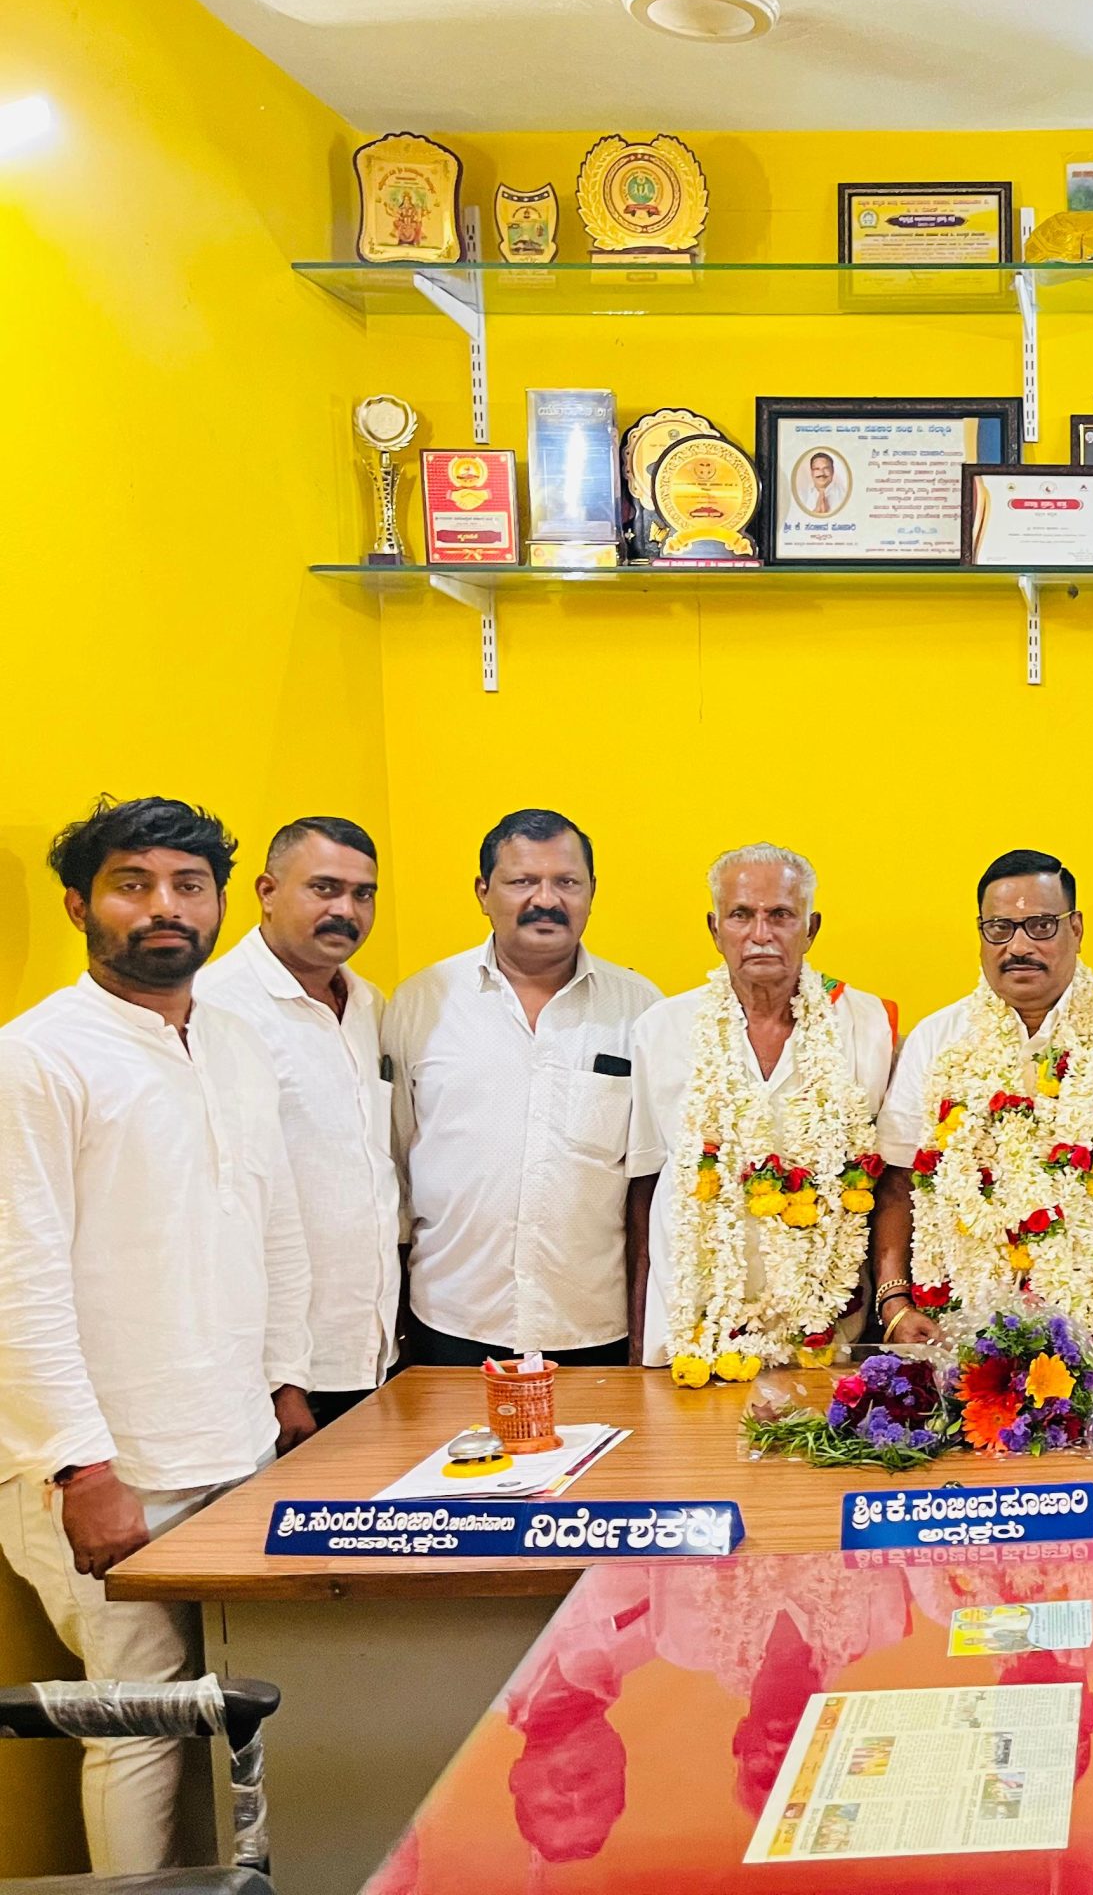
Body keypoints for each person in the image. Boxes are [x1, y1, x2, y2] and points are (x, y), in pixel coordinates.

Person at [0, 797, 313, 1873]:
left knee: (239, 1710)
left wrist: (285, 1388)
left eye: (188, 885)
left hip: (236, 1445)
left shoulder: (234, 1042)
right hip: (107, 1466)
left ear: (220, 903)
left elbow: (272, 1222)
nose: (164, 908)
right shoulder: (36, 1058)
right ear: (79, 906)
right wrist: (80, 1466)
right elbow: (18, 1279)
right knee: (136, 1722)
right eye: (133, 885)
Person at [870, 850, 1093, 1360]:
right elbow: (899, 1178)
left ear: (1076, 928)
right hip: (958, 1337)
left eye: (1040, 925)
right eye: (999, 928)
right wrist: (894, 1301)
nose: (1019, 946)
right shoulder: (937, 1040)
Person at [384, 808, 660, 1367]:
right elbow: (394, 1165)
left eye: (566, 882)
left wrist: (642, 1333)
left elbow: (648, 1185)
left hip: (591, 1326)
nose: (546, 899)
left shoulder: (640, 1009)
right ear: (483, 892)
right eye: (522, 881)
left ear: (591, 891)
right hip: (450, 1320)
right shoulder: (421, 1003)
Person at [626, 844, 894, 1373]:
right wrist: (635, 1342)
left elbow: (884, 1179)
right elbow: (642, 1180)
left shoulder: (868, 1024)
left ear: (811, 928)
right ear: (714, 928)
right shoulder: (662, 1029)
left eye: (781, 915)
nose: (761, 933)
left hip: (825, 1335)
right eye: (741, 915)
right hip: (690, 1330)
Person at [197, 816, 402, 1426]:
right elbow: (222, 1211)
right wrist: (278, 1378)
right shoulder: (214, 1008)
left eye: (363, 894)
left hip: (373, 1352)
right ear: (267, 891)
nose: (346, 910)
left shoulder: (368, 1004)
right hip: (280, 1377)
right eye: (324, 888)